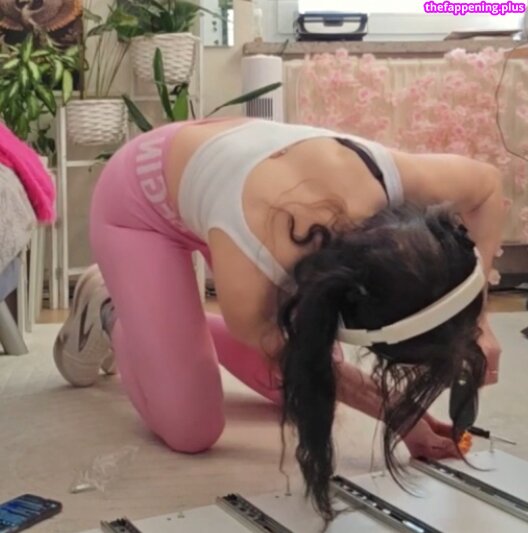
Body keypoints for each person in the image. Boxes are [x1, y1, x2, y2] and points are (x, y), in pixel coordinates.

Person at [53, 117, 504, 521]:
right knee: (192, 428)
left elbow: (487, 188)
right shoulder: (253, 277)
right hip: (139, 201)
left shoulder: (392, 177)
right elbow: (303, 360)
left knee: (289, 388)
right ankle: (111, 306)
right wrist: (397, 413)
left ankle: (169, 323)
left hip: (229, 175)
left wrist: (477, 321)